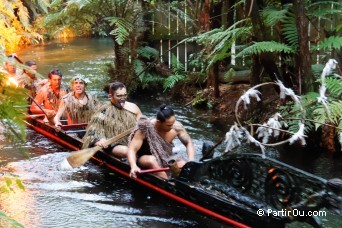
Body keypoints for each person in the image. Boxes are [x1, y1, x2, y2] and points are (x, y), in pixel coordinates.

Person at [127, 105, 195, 179]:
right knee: (151, 160)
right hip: (144, 158)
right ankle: (168, 184)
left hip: (166, 157)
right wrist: (133, 166)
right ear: (158, 122)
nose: (172, 127)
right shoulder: (145, 129)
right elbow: (132, 150)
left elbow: (188, 143)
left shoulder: (177, 127)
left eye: (173, 123)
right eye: (168, 125)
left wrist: (191, 160)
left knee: (183, 164)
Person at [82, 81, 142, 158]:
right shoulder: (104, 110)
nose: (122, 99)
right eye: (119, 96)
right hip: (113, 143)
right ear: (111, 96)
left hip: (132, 142)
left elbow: (143, 125)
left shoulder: (133, 107)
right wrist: (99, 140)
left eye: (124, 95)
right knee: (126, 151)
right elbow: (93, 130)